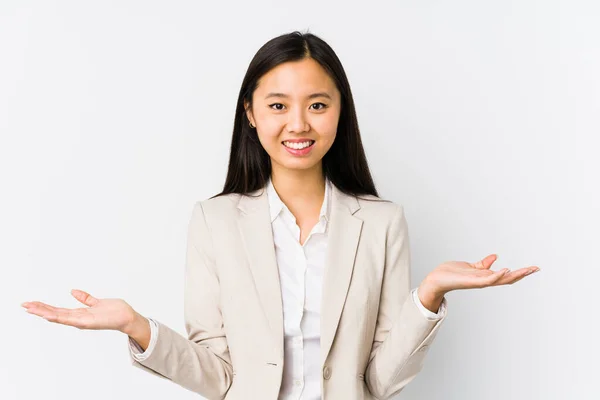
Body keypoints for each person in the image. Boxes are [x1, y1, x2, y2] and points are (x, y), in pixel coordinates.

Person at [21, 31, 540, 400]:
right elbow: (219, 378)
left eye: (318, 104)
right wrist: (138, 328)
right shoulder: (213, 222)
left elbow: (380, 383)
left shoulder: (382, 224)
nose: (298, 123)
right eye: (277, 106)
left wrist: (427, 299)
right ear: (250, 113)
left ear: (341, 111)